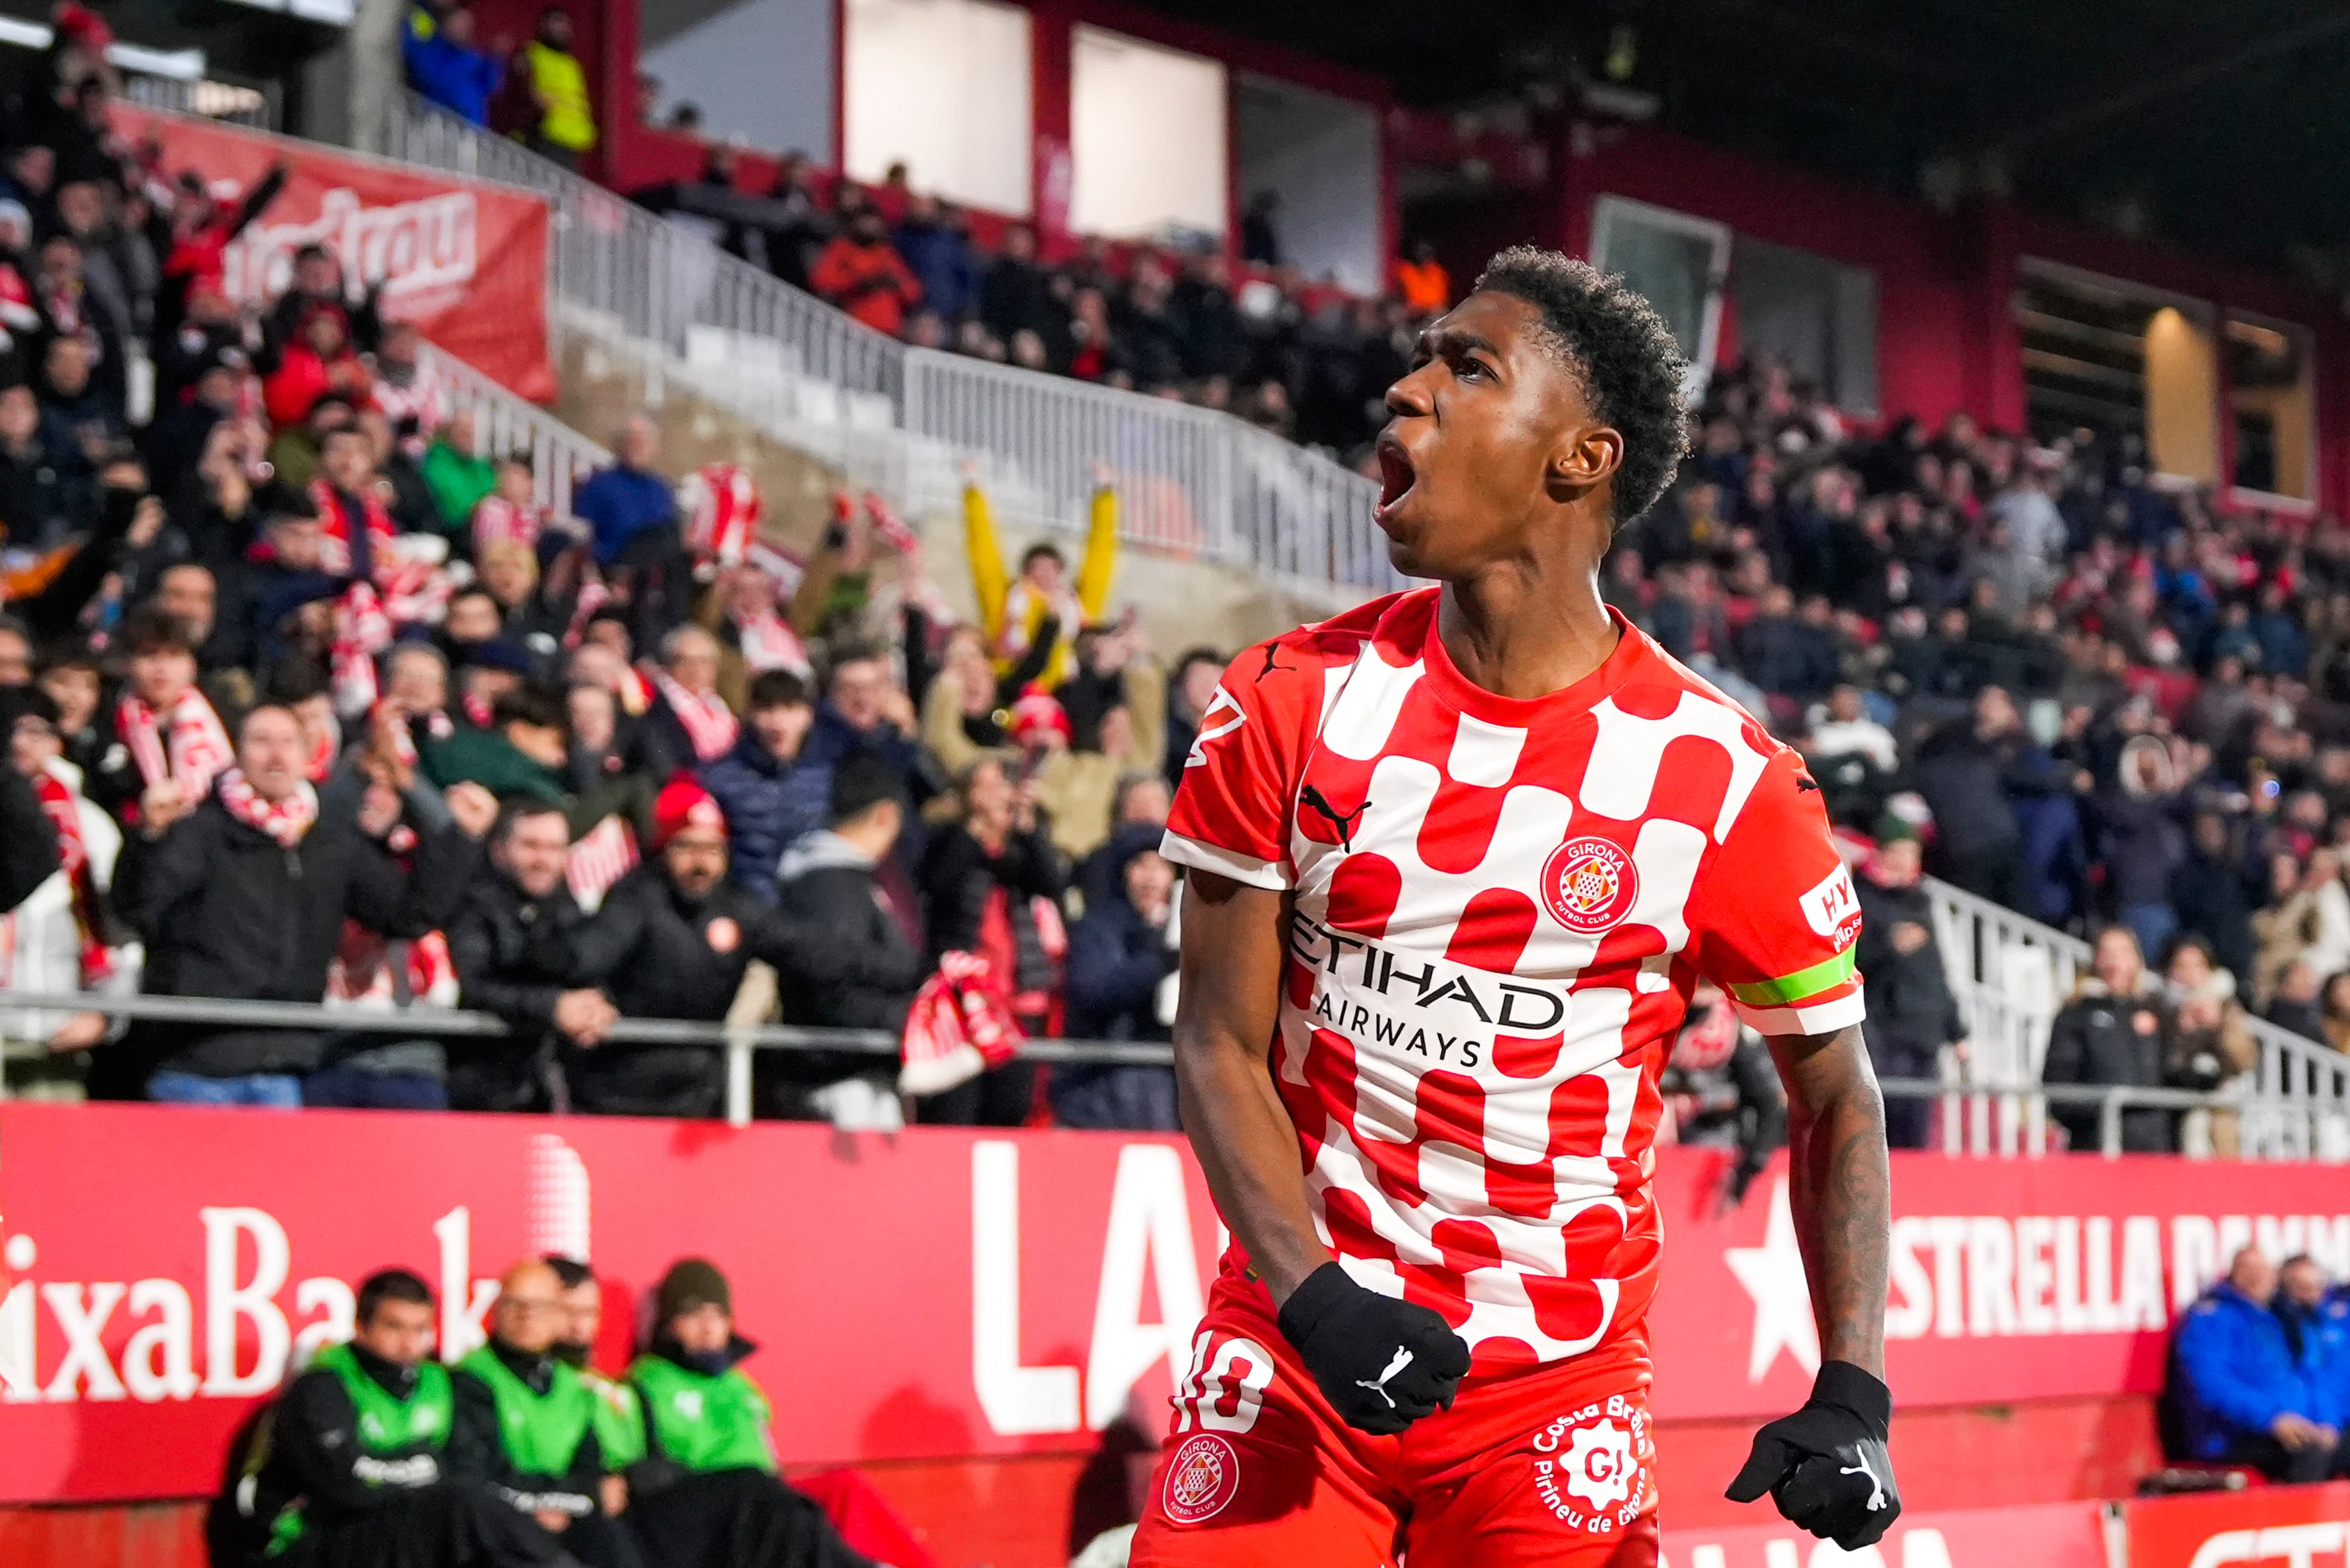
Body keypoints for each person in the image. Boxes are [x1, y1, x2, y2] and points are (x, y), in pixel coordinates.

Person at [1134, 250, 1898, 1567]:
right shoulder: (1283, 702)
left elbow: (1834, 1093)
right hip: (1296, 1350)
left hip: (1555, 1393)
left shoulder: (1724, 785)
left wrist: (1853, 1390)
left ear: (1578, 458)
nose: (1406, 387)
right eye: (1423, 359)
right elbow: (1213, 1041)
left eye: (1465, 367)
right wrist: (1316, 1302)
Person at [111, 706, 497, 1104]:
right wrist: (150, 836)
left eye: (287, 743)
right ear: (236, 753)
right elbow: (138, 908)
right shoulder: (198, 830)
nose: (276, 756)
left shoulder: (328, 841)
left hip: (285, 1067)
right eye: (261, 741)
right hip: (193, 1065)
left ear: (306, 755)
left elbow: (409, 914)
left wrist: (459, 838)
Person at [224, 1268, 572, 1567]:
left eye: (420, 1330)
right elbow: (347, 1488)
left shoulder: (440, 1383)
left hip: (396, 1530)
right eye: (394, 1327)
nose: (408, 1344)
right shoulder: (322, 1387)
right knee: (459, 1512)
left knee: (477, 1526)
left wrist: (409, 1475)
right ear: (361, 1326)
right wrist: (425, 1470)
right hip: (306, 1543)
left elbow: (467, 1471)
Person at [623, 1259, 873, 1568]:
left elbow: (769, 1463)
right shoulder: (646, 1383)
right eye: (695, 1316)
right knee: (764, 1499)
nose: (708, 1329)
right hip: (693, 1515)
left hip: (756, 1505)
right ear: (669, 1322)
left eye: (718, 1316)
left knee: (841, 1488)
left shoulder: (741, 1388)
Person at [452, 1258, 641, 1568]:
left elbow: (593, 1476)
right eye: (516, 1304)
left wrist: (569, 1500)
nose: (528, 1316)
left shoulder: (575, 1387)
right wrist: (560, 1499)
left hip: (567, 1519)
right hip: (500, 1527)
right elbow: (478, 1476)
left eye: (540, 1306)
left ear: (558, 1316)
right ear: (495, 1310)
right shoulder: (470, 1379)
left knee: (615, 1542)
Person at [771, 754, 925, 1117]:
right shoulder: (833, 888)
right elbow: (835, 987)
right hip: (845, 1085)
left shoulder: (842, 881)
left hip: (856, 1072)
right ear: (886, 815)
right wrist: (905, 1020)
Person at [448, 799, 617, 1111]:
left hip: (552, 1088)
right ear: (500, 850)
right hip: (482, 1086)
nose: (543, 859)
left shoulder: (569, 909)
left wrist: (598, 1007)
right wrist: (552, 1007)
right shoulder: (474, 905)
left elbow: (590, 969)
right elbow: (476, 986)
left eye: (555, 848)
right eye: (530, 845)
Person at [2173, 1247, 2341, 1483]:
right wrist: (2272, 1419)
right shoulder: (2211, 1319)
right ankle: (2293, 1518)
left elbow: (2308, 1376)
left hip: (2295, 1428)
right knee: (2308, 1454)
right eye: (2247, 1269)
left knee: (2334, 1447)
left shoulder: (2279, 1318)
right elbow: (2213, 1386)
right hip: (2235, 1437)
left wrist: (2326, 1420)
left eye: (2262, 1269)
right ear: (2233, 1275)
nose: (2256, 1276)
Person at [1057, 823, 1180, 1130]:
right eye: (1142, 865)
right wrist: (1157, 965)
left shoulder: (1184, 929)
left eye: (1162, 866)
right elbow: (1091, 989)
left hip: (1164, 1084)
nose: (1152, 878)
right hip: (1103, 1085)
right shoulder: (1099, 927)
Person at [1853, 829, 1966, 1149]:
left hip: (1925, 1030)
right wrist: (1890, 946)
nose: (1906, 862)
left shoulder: (1921, 900)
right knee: (1884, 1119)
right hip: (1884, 1028)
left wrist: (1956, 1030)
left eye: (1912, 854)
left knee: (1916, 1127)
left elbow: (1937, 971)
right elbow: (1851, 962)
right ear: (1883, 854)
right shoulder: (1863, 897)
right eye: (1900, 853)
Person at [2041, 925, 2174, 1153]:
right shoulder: (2075, 1013)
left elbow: (2176, 1072)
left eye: (2123, 952)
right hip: (2094, 1148)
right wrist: (2108, 1109)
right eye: (2107, 952)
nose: (2115, 962)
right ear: (2096, 960)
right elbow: (2059, 1088)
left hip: (2153, 1151)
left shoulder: (2159, 1010)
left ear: (2136, 960)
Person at [808, 208, 921, 338]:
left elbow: (913, 291)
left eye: (874, 224)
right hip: (854, 326)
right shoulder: (842, 248)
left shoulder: (887, 254)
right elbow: (820, 280)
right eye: (866, 223)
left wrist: (896, 284)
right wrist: (857, 283)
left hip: (888, 330)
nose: (870, 228)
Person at [521, 6, 597, 168]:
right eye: (557, 23)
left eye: (566, 25)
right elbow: (520, 90)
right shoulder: (531, 54)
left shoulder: (572, 64)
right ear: (543, 25)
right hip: (546, 137)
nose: (563, 29)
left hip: (574, 141)